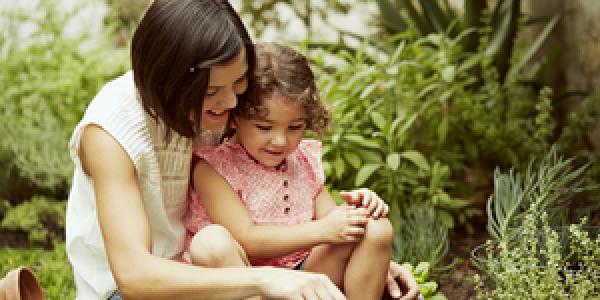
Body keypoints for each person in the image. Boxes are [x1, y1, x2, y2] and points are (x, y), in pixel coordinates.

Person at [64, 0, 418, 299]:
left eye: (239, 83)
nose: (233, 101)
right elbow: (134, 275)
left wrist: (370, 256)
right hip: (138, 291)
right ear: (170, 83)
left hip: (222, 271)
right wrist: (266, 279)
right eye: (215, 91)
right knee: (212, 244)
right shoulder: (110, 133)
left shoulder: (217, 107)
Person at [184, 43, 402, 299]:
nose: (280, 141)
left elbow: (333, 219)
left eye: (295, 127)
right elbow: (247, 237)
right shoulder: (214, 168)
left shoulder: (304, 161)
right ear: (235, 117)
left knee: (375, 227)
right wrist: (323, 230)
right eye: (264, 127)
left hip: (306, 276)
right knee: (211, 242)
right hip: (247, 283)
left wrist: (356, 211)